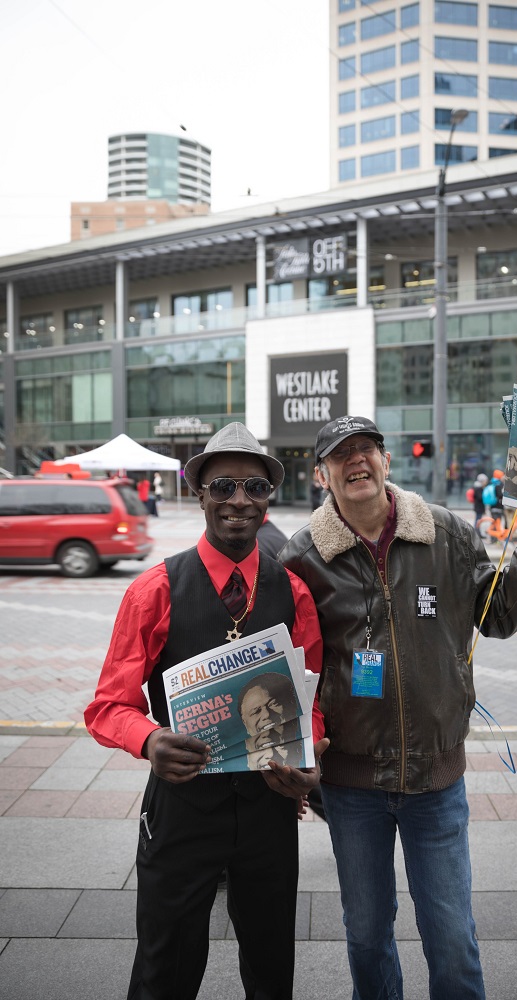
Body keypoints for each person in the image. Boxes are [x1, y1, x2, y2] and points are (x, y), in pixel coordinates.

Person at [280, 414, 517, 1000]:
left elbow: (498, 615)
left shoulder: (446, 532)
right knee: (365, 935)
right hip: (352, 785)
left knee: (452, 938)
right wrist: (293, 762)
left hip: (436, 782)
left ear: (387, 461)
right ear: (322, 475)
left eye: (368, 449)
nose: (357, 461)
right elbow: (293, 671)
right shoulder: (303, 557)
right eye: (342, 455)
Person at [84, 421, 328, 1000]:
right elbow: (108, 706)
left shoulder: (293, 592)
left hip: (269, 811)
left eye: (254, 488)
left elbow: (313, 702)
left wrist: (310, 754)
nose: (239, 501)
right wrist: (149, 741)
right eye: (223, 488)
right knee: (165, 968)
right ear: (200, 494)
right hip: (183, 812)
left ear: (269, 498)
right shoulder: (155, 590)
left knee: (272, 968)